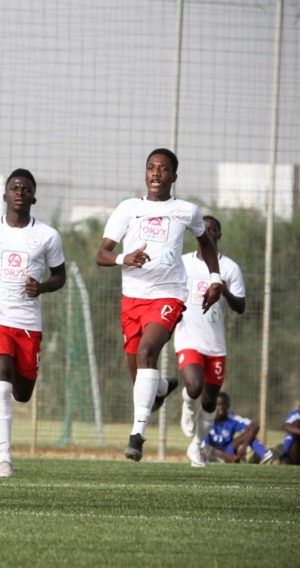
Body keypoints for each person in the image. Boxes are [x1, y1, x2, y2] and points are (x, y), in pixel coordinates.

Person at [96, 148, 222, 462]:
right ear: (145, 173)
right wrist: (126, 258)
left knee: (147, 352)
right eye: (151, 167)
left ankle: (137, 437)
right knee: (140, 376)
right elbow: (102, 254)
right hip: (132, 299)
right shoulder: (128, 208)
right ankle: (162, 388)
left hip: (168, 295)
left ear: (173, 176)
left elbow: (205, 243)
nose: (155, 174)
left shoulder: (186, 210)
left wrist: (216, 279)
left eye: (163, 169)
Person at [0, 168, 66, 478]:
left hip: (28, 324)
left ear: (33, 195)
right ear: (5, 195)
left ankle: (5, 448)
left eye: (26, 188)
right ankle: (3, 459)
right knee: (0, 375)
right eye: (14, 187)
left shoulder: (48, 235)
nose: (20, 191)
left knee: (22, 392)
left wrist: (42, 286)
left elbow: (60, 276)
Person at [173, 215, 247, 467]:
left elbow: (241, 307)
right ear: (197, 234)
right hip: (187, 337)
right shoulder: (183, 263)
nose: (208, 233)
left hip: (215, 345)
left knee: (209, 401)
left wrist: (223, 288)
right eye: (204, 230)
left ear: (218, 235)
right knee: (194, 388)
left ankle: (196, 447)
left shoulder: (230, 268)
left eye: (213, 230)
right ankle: (187, 404)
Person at [197, 392, 274, 465]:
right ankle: (233, 460)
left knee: (249, 434)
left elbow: (254, 427)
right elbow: (204, 446)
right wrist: (229, 457)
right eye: (218, 404)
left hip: (228, 448)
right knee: (206, 450)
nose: (221, 407)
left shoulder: (232, 417)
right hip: (213, 452)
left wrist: (244, 447)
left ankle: (264, 456)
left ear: (228, 405)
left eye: (224, 404)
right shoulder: (206, 420)